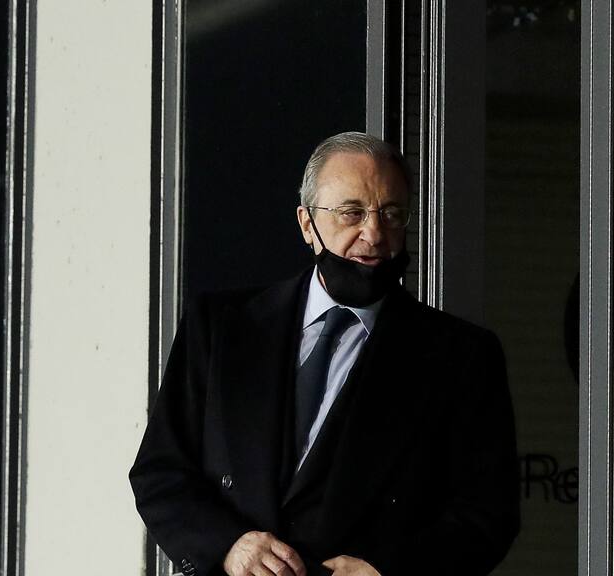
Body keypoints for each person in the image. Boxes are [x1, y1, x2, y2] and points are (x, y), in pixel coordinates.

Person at [129, 132, 519, 576]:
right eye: (352, 213)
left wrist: (388, 570)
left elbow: (488, 514)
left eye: (392, 214)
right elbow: (160, 472)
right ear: (307, 225)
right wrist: (229, 545)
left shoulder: (462, 356)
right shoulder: (220, 328)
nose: (374, 234)